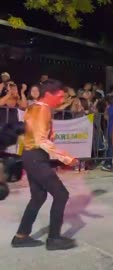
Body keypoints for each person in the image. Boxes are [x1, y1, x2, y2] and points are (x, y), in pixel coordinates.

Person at [11, 79, 78, 250]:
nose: (62, 100)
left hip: (31, 156)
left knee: (39, 196)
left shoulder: (36, 107)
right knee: (61, 194)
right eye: (60, 96)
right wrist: (67, 158)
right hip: (35, 157)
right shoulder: (41, 110)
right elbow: (40, 140)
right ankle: (54, 239)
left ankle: (21, 236)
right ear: (49, 94)